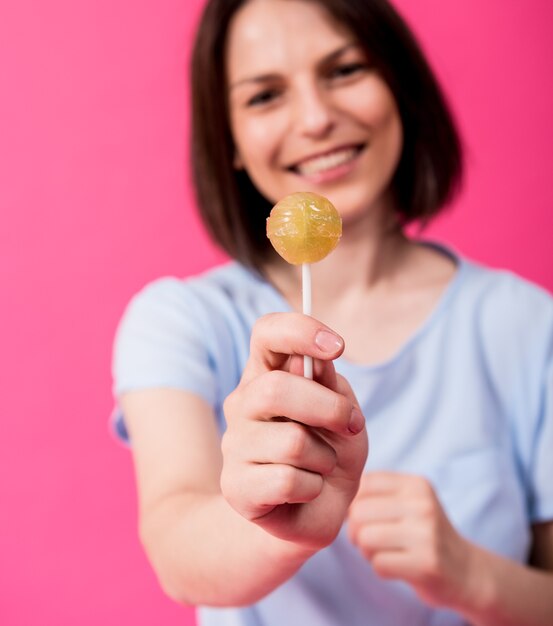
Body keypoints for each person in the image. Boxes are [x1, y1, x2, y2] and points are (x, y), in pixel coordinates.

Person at [111, 0, 553, 624]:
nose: (316, 118)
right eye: (264, 96)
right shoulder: (181, 321)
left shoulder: (530, 327)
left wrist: (471, 575)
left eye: (345, 70)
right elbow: (176, 547)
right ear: (229, 139)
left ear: (399, 83)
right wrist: (277, 526)